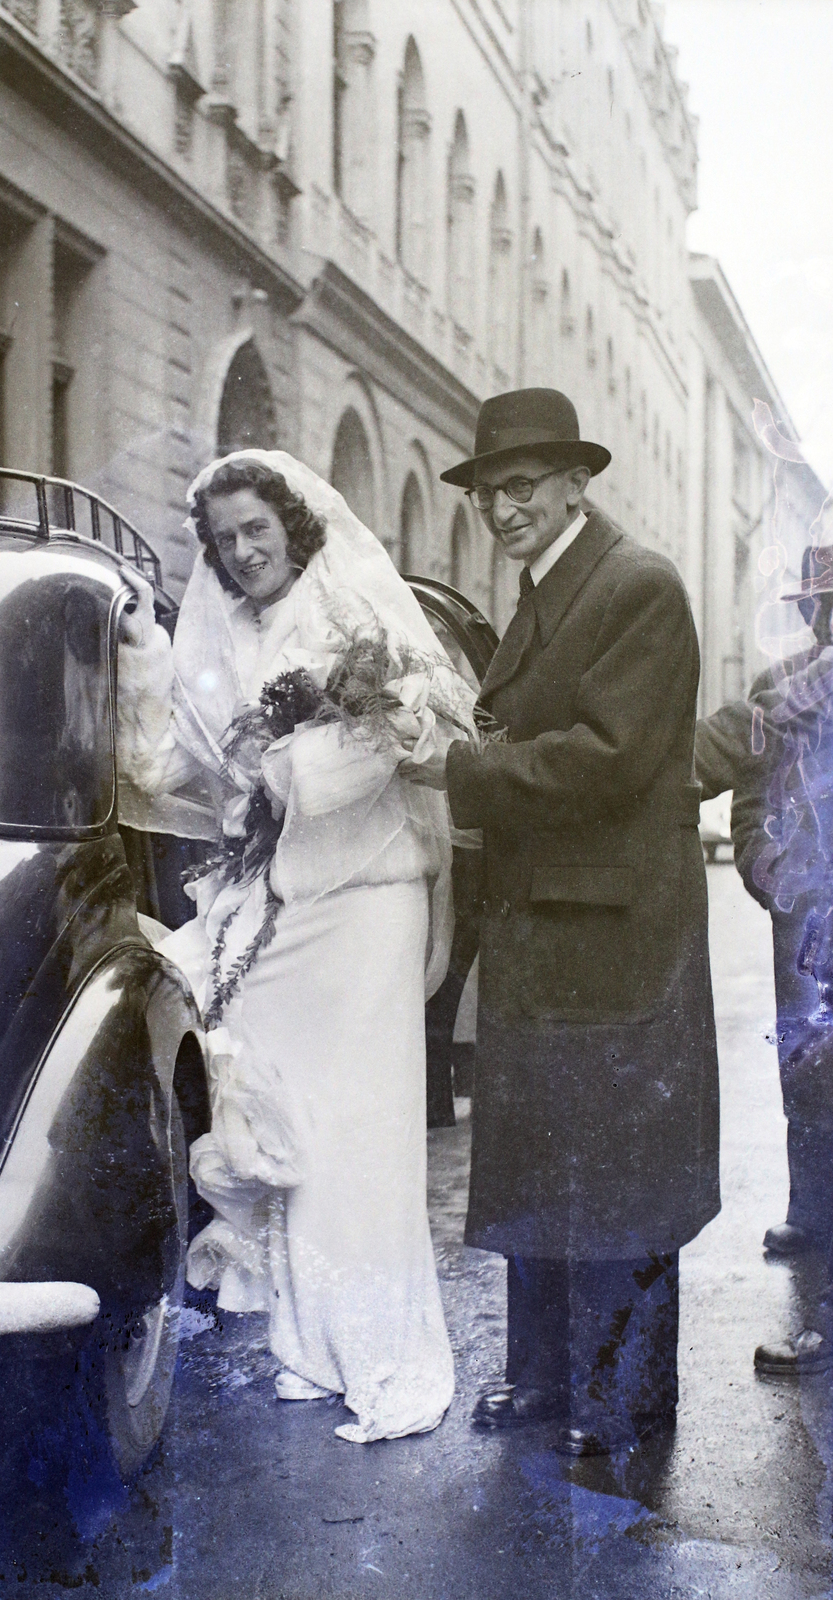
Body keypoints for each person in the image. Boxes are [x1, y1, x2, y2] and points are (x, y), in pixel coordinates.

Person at [115, 449, 477, 1444]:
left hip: (364, 902)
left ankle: (382, 1351)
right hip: (281, 910)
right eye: (224, 538)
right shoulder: (226, 631)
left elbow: (420, 729)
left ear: (293, 523)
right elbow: (166, 766)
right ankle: (312, 1348)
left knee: (362, 1139)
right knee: (294, 1135)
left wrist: (292, 765)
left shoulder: (351, 604)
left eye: (256, 529)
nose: (242, 551)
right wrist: (145, 656)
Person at [403, 387, 721, 1456]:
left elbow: (606, 761)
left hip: (615, 939)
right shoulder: (553, 587)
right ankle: (543, 1378)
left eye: (522, 486)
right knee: (540, 1156)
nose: (502, 509)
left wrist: (458, 766)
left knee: (618, 1171)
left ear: (576, 483)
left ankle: (620, 1398)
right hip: (551, 931)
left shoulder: (635, 585)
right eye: (488, 492)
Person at [695, 543, 833, 1377]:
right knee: (806, 1083)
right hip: (803, 927)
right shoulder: (778, 690)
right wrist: (771, 875)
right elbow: (748, 807)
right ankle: (809, 1215)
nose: (826, 615)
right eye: (820, 602)